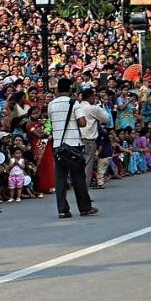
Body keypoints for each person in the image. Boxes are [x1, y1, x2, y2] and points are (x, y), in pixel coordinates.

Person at [48, 78, 97, 218]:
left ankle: (63, 210)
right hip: (73, 144)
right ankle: (85, 208)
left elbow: (50, 123)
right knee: (78, 177)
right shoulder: (73, 103)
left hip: (58, 145)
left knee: (60, 178)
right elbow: (82, 123)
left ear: (57, 89)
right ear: (69, 89)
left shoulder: (51, 104)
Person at [78, 88, 111, 189]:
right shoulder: (93, 108)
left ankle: (79, 190)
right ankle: (84, 193)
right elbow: (107, 119)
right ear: (90, 97)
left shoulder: (77, 106)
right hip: (88, 139)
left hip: (76, 139)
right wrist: (99, 107)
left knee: (78, 166)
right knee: (87, 166)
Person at [26, 106, 55, 194]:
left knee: (48, 165)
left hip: (47, 146)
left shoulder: (43, 122)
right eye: (33, 113)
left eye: (37, 112)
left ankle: (48, 186)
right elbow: (38, 135)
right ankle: (40, 187)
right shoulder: (30, 124)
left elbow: (50, 130)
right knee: (40, 167)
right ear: (30, 115)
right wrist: (47, 133)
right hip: (38, 147)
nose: (36, 115)